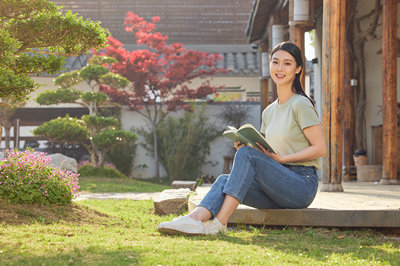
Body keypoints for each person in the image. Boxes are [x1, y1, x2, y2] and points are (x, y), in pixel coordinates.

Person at [157, 42, 327, 235]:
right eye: (275, 62)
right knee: (223, 180)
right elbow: (264, 154)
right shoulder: (269, 111)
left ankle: (219, 223)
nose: (280, 68)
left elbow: (320, 148)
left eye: (287, 63)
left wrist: (281, 159)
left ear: (298, 69)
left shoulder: (300, 104)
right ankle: (193, 220)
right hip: (276, 185)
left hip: (301, 185)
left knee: (246, 156)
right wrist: (247, 146)